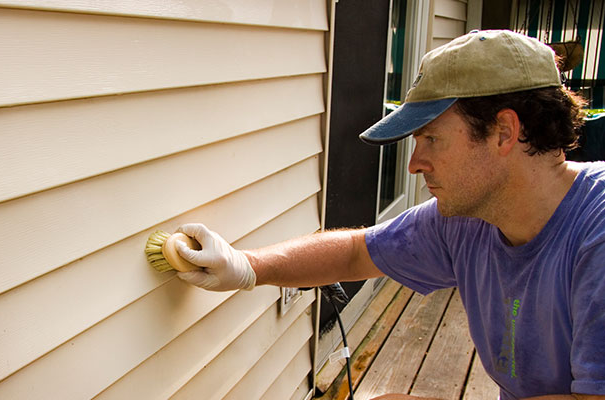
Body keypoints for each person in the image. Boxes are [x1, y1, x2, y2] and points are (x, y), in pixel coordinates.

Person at [172, 30, 605, 400]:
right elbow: (355, 252)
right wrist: (246, 267)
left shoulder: (596, 230)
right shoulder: (466, 221)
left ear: (504, 132)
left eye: (432, 138)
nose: (415, 163)